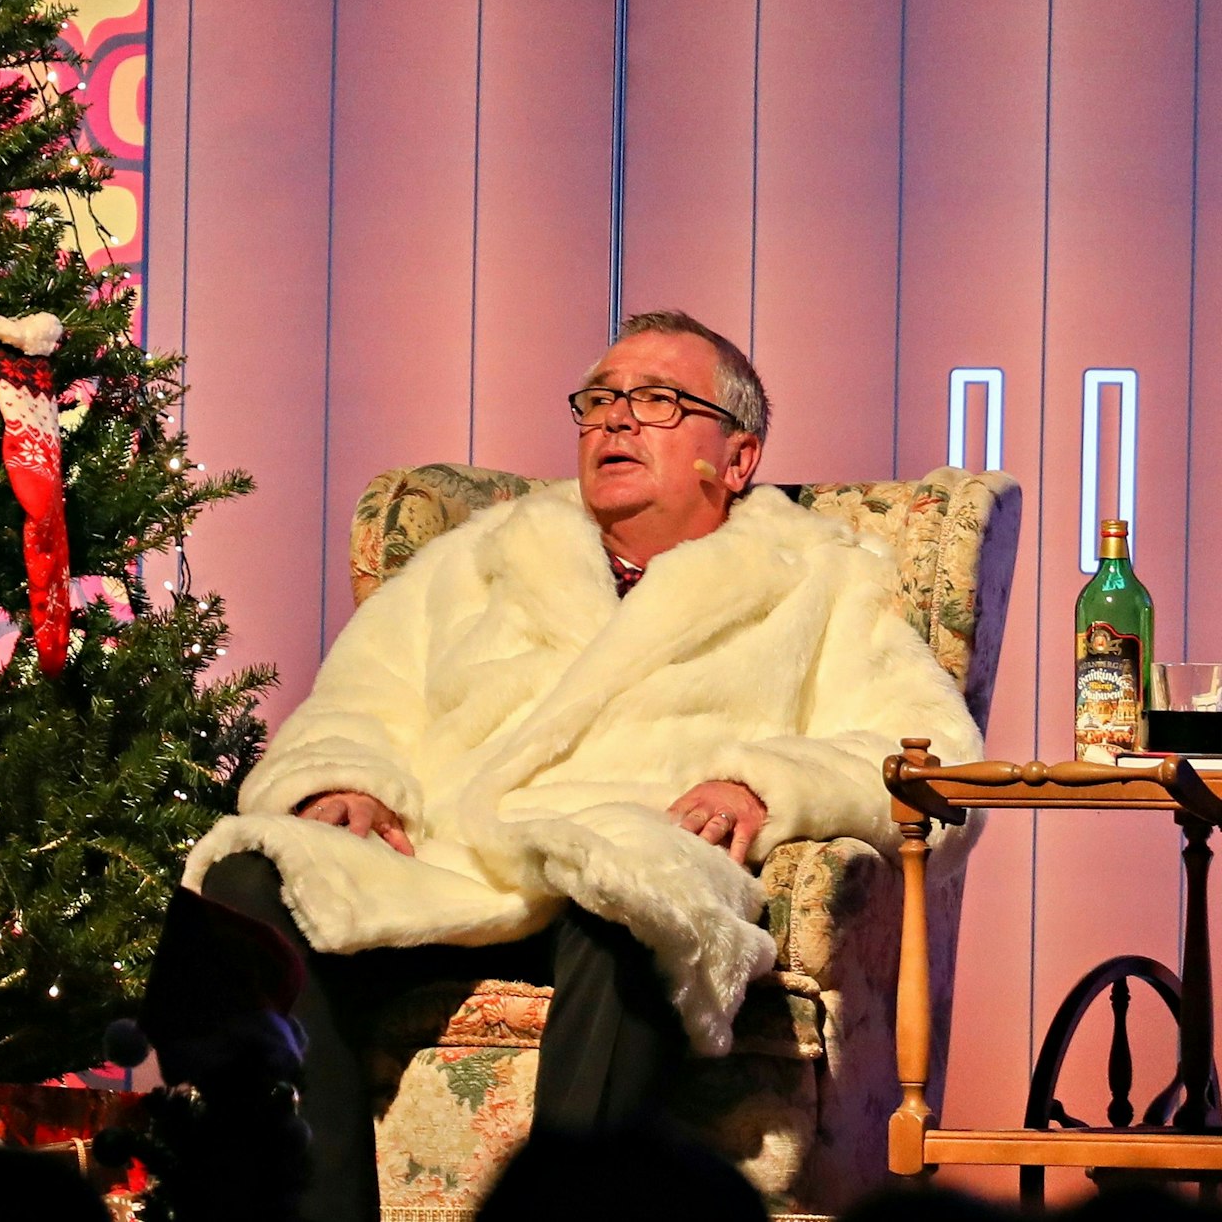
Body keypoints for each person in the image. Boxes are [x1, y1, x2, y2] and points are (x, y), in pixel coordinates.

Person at [156, 309, 984, 1222]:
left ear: (738, 458)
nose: (617, 420)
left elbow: (930, 760)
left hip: (622, 870)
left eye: (660, 400)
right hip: (449, 864)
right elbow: (355, 705)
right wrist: (341, 783)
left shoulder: (815, 576)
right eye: (600, 400)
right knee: (246, 873)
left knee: (626, 889)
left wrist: (766, 783)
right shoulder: (480, 557)